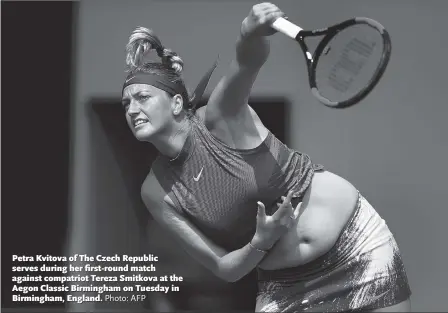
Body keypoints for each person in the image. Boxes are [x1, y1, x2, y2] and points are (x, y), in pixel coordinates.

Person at [121, 3, 412, 312]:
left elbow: (248, 60)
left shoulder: (221, 116)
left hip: (357, 246)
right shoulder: (156, 191)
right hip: (285, 287)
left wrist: (250, 33)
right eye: (125, 104)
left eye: (142, 98)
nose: (132, 110)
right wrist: (260, 240)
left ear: (177, 103)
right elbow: (225, 267)